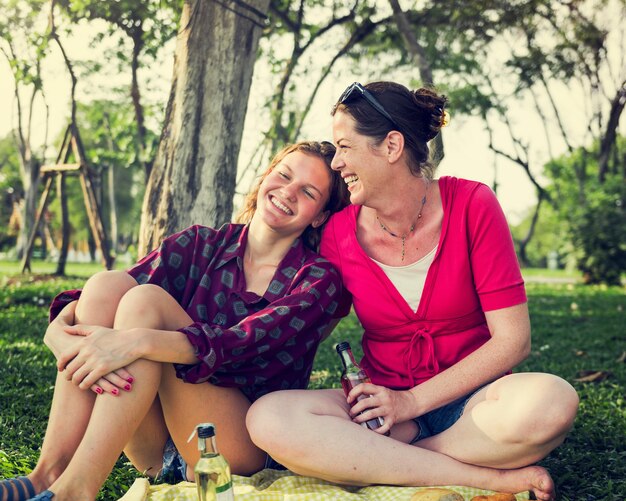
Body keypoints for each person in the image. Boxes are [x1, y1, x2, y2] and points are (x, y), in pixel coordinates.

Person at [246, 82, 579, 501]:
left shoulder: (473, 205)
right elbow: (307, 324)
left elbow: (513, 341)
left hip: (478, 405)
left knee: (552, 402)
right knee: (269, 418)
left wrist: (412, 402)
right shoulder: (337, 233)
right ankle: (488, 478)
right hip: (384, 409)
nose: (338, 164)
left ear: (391, 146)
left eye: (345, 147)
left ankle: (385, 462)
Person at [0, 140, 350, 501]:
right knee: (108, 285)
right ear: (265, 177)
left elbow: (239, 344)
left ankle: (77, 490)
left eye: (307, 192)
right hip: (155, 444)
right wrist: (58, 328)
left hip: (234, 448)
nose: (287, 192)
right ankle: (49, 472)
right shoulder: (203, 244)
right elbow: (98, 297)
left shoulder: (316, 280)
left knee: (146, 302)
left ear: (320, 216)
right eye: (283, 175)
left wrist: (139, 341)